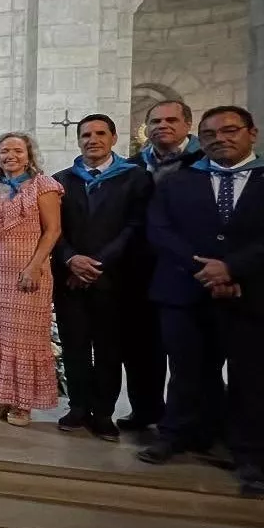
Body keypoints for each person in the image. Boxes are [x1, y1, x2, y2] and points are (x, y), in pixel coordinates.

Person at [138, 106, 264, 497]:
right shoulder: (178, 181)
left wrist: (233, 268)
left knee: (249, 377)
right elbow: (160, 230)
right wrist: (202, 270)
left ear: (252, 133)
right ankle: (176, 434)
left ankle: (250, 456)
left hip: (253, 293)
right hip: (185, 292)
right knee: (185, 370)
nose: (219, 139)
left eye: (230, 130)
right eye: (210, 134)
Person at [51, 114, 153, 442]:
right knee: (74, 345)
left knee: (110, 348)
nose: (92, 140)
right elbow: (53, 229)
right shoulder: (61, 180)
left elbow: (135, 226)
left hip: (115, 279)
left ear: (113, 137)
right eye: (86, 135)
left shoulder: (135, 178)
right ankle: (78, 406)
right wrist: (71, 259)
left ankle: (104, 412)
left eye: (99, 134)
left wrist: (97, 264)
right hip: (70, 278)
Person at [0, 132, 63, 426]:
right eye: (5, 151)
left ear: (29, 155)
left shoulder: (43, 185)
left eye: (18, 150)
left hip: (26, 272)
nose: (11, 156)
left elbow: (53, 230)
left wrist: (34, 266)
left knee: (23, 338)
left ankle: (21, 403)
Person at [120, 100, 204, 430]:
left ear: (187, 125)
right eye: (155, 121)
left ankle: (185, 424)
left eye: (171, 120)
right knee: (140, 346)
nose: (162, 126)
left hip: (187, 268)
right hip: (138, 267)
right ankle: (146, 410)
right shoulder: (133, 166)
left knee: (186, 351)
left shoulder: (203, 163)